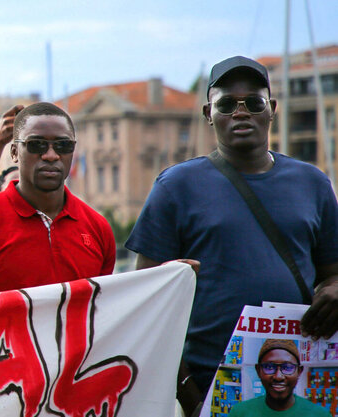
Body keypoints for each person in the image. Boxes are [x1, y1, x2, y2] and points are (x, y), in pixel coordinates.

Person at [125, 56, 338, 409]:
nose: (241, 113)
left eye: (253, 103)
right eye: (227, 104)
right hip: (210, 384)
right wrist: (185, 386)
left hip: (301, 383)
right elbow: (148, 301)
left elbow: (333, 274)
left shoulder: (313, 183)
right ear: (209, 113)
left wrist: (333, 290)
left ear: (270, 110)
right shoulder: (175, 187)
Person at [0, 102, 116, 296]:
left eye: (63, 145)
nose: (51, 155)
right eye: (37, 145)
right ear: (14, 153)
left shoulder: (98, 228)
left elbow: (103, 313)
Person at [228, 339, 329, 416]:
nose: (278, 377)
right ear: (258, 370)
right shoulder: (239, 413)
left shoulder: (319, 415)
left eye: (288, 368)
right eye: (269, 367)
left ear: (299, 371)